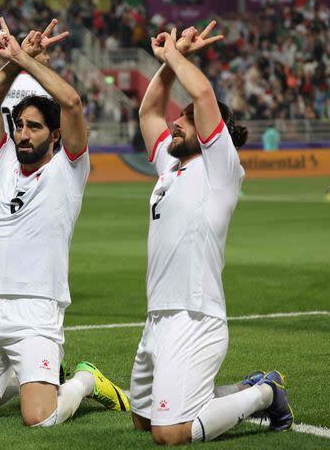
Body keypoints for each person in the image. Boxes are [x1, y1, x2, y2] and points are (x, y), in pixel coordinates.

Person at [0, 17, 129, 427]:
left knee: (40, 420)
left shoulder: (69, 169)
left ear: (55, 135)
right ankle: (25, 378)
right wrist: (12, 63)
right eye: (21, 126)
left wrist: (27, 57)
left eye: (34, 127)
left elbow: (74, 102)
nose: (23, 134)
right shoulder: (5, 161)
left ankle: (83, 380)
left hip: (37, 309)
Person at [132, 22, 292, 445]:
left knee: (169, 434)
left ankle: (264, 393)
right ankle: (238, 389)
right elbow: (148, 112)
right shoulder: (170, 167)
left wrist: (175, 55)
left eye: (185, 119)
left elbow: (203, 96)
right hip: (158, 315)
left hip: (195, 316)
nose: (176, 122)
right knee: (144, 424)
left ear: (208, 129)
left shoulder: (220, 167)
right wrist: (167, 67)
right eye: (179, 117)